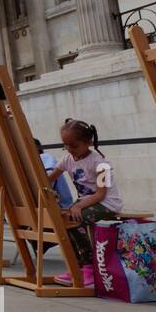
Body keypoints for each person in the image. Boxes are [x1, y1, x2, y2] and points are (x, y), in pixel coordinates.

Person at [46, 118, 124, 284]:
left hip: (106, 204)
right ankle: (76, 266)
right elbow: (49, 178)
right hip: (85, 203)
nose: (69, 149)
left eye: (74, 145)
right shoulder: (67, 159)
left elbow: (101, 194)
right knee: (63, 222)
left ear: (88, 142)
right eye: (65, 145)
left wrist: (79, 205)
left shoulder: (101, 164)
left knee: (76, 221)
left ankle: (89, 267)